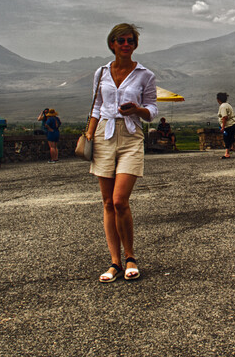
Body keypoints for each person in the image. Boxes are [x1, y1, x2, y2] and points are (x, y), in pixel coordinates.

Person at [84, 23, 158, 283]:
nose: (126, 44)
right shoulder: (101, 72)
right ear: (112, 44)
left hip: (130, 136)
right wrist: (89, 135)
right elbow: (96, 107)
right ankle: (115, 262)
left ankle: (130, 256)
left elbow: (152, 110)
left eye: (130, 40)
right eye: (121, 40)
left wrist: (137, 110)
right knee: (106, 202)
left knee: (119, 200)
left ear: (135, 45)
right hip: (104, 135)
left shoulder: (145, 75)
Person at [216, 92, 235, 159]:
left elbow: (224, 117)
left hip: (228, 125)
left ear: (218, 99)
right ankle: (233, 147)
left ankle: (227, 153)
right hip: (233, 123)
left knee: (227, 138)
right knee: (231, 136)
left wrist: (223, 127)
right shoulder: (228, 104)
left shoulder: (222, 106)